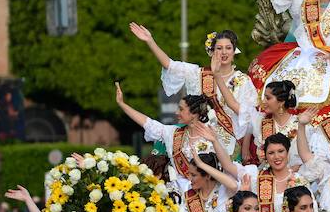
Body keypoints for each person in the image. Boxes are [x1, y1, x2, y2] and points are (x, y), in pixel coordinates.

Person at [130, 23, 256, 155]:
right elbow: (169, 64)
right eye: (219, 48)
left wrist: (245, 148)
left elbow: (247, 117)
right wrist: (150, 41)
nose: (224, 52)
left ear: (234, 51)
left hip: (228, 142)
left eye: (228, 48)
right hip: (196, 136)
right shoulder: (197, 74)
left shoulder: (243, 81)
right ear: (212, 51)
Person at [115, 81, 216, 191]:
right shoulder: (172, 133)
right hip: (177, 194)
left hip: (202, 195)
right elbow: (148, 123)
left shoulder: (211, 136)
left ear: (194, 114)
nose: (176, 112)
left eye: (181, 109)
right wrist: (122, 105)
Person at [248, 80, 302, 166]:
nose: (264, 101)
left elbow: (303, 161)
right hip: (268, 176)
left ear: (281, 102)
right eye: (264, 97)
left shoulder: (300, 125)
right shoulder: (261, 122)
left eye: (268, 98)